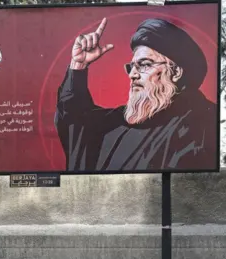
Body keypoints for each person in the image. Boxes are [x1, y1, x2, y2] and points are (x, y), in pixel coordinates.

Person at [55, 17, 217, 172]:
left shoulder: (200, 122)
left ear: (175, 72)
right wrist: (78, 65)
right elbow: (75, 122)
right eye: (131, 67)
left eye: (144, 65)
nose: (132, 74)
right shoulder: (119, 120)